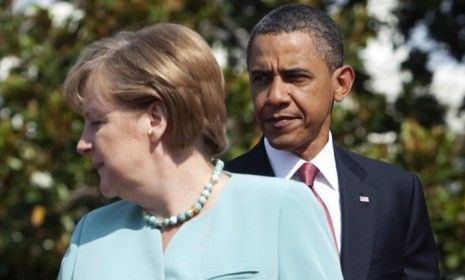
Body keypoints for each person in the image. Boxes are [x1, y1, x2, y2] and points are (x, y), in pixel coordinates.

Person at [57, 23, 342, 279]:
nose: (83, 143)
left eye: (97, 122)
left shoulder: (282, 208)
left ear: (155, 118)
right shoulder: (90, 233)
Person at [225, 4, 439, 280]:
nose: (275, 95)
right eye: (261, 79)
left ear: (341, 83)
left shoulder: (395, 193)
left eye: (295, 77)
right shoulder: (219, 195)